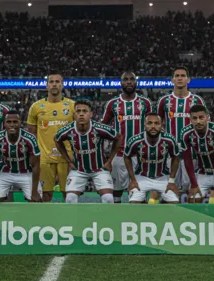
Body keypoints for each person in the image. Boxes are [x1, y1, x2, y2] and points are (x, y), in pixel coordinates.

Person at [54, 100, 121, 204]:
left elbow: (118, 137)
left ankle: (106, 220)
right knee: (70, 199)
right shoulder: (67, 130)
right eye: (78, 111)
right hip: (78, 170)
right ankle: (75, 220)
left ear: (90, 114)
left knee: (108, 199)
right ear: (74, 114)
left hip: (99, 169)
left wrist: (109, 160)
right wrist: (68, 161)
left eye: (85, 111)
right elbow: (57, 140)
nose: (81, 114)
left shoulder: (99, 128)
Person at [101, 71, 153, 203]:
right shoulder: (113, 103)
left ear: (136, 82)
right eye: (125, 79)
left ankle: (138, 220)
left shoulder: (145, 103)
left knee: (139, 192)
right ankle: (117, 219)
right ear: (121, 82)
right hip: (119, 155)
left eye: (132, 79)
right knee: (116, 191)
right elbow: (102, 128)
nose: (129, 82)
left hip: (141, 155)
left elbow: (153, 126)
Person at [156, 66, 207, 193]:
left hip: (192, 151)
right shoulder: (164, 101)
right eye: (177, 76)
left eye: (182, 76)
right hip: (170, 153)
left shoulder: (197, 100)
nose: (179, 78)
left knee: (192, 190)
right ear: (172, 80)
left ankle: (189, 213)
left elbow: (206, 125)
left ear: (188, 80)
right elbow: (156, 124)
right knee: (169, 190)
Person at [27, 73, 75, 202]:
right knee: (46, 195)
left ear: (62, 84)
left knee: (69, 195)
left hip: (67, 159)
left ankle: (71, 221)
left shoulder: (72, 106)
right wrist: (34, 156)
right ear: (47, 85)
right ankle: (47, 222)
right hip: (45, 158)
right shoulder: (36, 107)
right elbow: (31, 134)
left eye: (57, 81)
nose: (54, 84)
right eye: (51, 81)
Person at [179, 105, 214, 204]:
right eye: (195, 118)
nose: (198, 121)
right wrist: (193, 184)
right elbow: (187, 160)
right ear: (190, 119)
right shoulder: (185, 133)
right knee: (193, 200)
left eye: (201, 117)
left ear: (207, 117)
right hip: (203, 173)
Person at [124, 113, 180, 204]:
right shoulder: (135, 140)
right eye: (149, 123)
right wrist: (133, 180)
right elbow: (126, 157)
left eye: (156, 123)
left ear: (161, 125)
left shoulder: (169, 140)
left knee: (174, 203)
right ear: (144, 125)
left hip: (163, 177)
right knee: (134, 203)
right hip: (141, 177)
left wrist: (172, 181)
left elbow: (176, 157)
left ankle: (163, 206)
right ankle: (143, 204)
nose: (153, 126)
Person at [0, 110, 42, 202]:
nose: (12, 125)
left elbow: (36, 165)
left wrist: (34, 192)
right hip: (4, 172)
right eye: (9, 122)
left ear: (20, 123)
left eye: (15, 122)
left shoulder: (30, 138)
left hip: (26, 172)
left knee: (36, 200)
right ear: (4, 124)